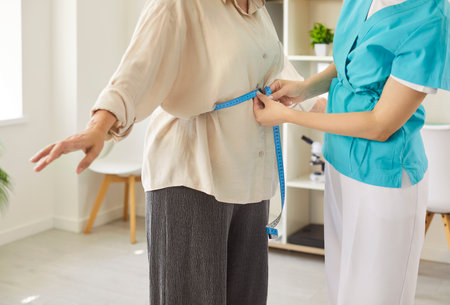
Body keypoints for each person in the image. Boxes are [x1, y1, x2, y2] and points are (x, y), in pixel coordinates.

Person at [30, 0, 317, 304]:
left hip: (251, 178)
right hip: (191, 177)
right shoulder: (180, 5)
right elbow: (135, 72)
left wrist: (347, 115)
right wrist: (98, 127)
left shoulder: (259, 13)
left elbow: (288, 84)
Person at [253, 0, 450, 304]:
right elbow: (349, 62)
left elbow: (380, 124)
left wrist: (289, 117)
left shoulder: (429, 20)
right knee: (341, 290)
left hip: (384, 177)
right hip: (339, 161)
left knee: (375, 296)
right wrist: (304, 88)